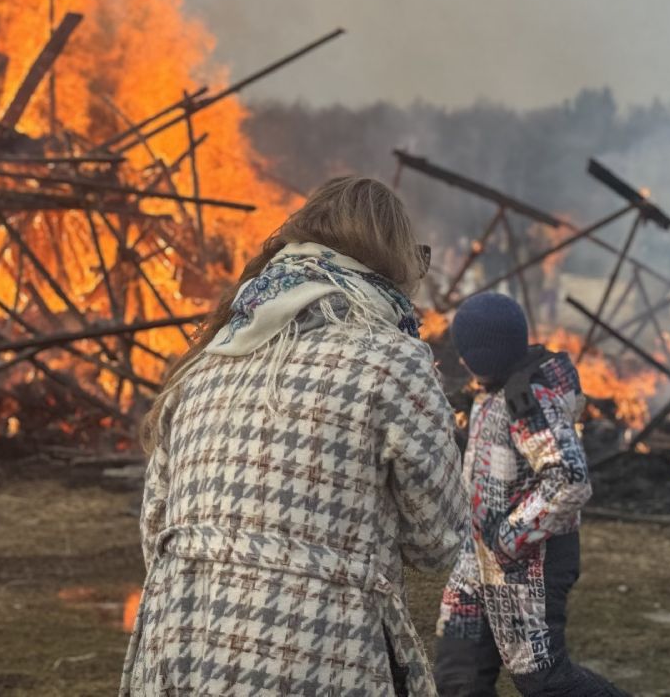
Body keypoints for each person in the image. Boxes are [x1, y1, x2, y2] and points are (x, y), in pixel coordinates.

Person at [120, 177, 469, 696]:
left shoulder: (206, 363)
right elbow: (439, 542)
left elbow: (156, 529)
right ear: (391, 260)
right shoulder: (394, 363)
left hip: (180, 642)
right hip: (317, 651)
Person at [434, 293, 631, 697]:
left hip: (528, 566)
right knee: (459, 675)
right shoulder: (490, 390)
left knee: (544, 681)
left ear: (477, 355)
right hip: (476, 561)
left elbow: (569, 479)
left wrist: (508, 537)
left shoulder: (529, 400)